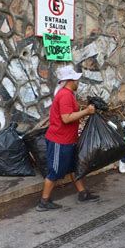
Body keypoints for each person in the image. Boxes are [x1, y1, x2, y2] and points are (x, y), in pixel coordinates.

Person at [36, 65, 99, 211]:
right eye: (76, 79)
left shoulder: (69, 94)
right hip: (60, 141)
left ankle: (82, 193)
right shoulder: (65, 95)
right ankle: (44, 202)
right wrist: (87, 112)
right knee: (55, 171)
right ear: (70, 80)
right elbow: (66, 118)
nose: (78, 82)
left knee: (73, 168)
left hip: (68, 140)